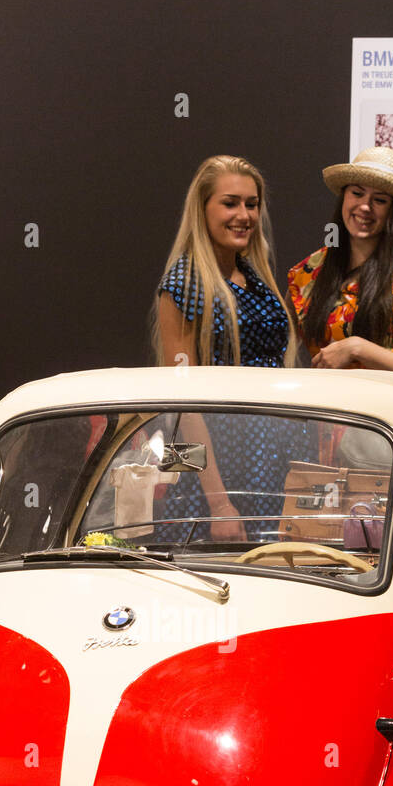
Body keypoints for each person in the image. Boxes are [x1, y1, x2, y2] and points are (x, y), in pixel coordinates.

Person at [152, 155, 304, 541]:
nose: (244, 215)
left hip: (274, 462)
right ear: (202, 210)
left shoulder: (254, 274)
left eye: (252, 204)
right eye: (230, 202)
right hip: (219, 478)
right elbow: (182, 405)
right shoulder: (183, 284)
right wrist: (218, 503)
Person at [287, 146, 393, 378]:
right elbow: (276, 345)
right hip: (326, 411)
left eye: (379, 200)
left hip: (387, 412)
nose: (364, 207)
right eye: (357, 193)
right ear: (344, 197)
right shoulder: (310, 271)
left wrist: (358, 349)